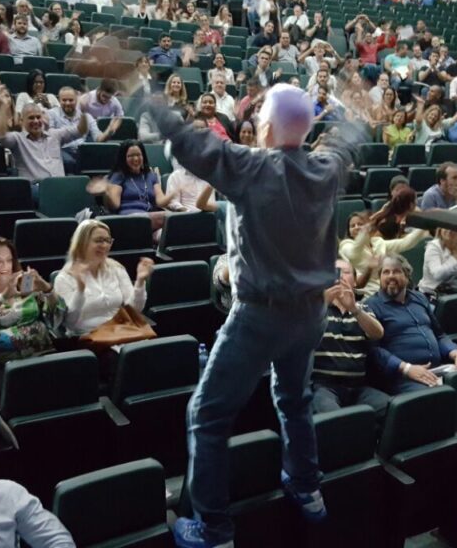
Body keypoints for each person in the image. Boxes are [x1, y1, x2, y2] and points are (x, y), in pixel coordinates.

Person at [142, 83, 358, 547]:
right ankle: (307, 487)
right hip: (311, 315)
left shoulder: (250, 166)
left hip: (260, 316)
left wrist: (137, 89)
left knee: (206, 413)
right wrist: (358, 108)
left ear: (265, 127)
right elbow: (346, 141)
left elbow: (187, 140)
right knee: (294, 399)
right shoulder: (326, 168)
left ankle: (213, 529)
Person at [0, 237, 65, 403]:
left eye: (8, 260)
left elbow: (56, 317)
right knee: (19, 395)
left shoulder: (25, 284)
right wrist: (3, 296)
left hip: (41, 354)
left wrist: (46, 288)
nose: (5, 266)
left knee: (66, 385)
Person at [365, 254, 457, 395]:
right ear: (379, 278)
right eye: (386, 272)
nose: (391, 276)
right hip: (402, 377)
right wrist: (407, 368)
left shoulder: (419, 298)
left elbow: (439, 335)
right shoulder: (371, 305)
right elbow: (375, 351)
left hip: (437, 370)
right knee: (439, 395)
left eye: (396, 271)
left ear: (407, 275)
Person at [311, 259, 390, 420]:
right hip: (324, 386)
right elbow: (299, 336)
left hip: (358, 387)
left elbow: (378, 333)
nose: (339, 277)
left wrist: (354, 309)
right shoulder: (312, 309)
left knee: (394, 410)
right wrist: (323, 303)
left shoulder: (363, 308)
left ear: (355, 281)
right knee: (335, 420)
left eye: (345, 272)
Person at [53, 219, 153, 338]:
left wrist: (140, 282)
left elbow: (135, 309)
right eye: (99, 241)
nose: (105, 245)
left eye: (108, 240)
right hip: (88, 337)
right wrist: (80, 289)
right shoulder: (64, 278)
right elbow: (70, 323)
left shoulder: (116, 268)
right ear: (82, 243)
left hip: (121, 330)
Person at [0, 102, 87, 186]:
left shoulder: (55, 134)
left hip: (60, 187)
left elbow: (81, 130)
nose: (36, 121)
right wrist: (3, 108)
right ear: (22, 121)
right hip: (35, 189)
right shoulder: (17, 139)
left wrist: (83, 111)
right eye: (31, 118)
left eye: (38, 117)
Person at [50, 86, 117, 174]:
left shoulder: (86, 116)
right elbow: (49, 138)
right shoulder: (52, 114)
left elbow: (98, 138)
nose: (67, 103)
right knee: (69, 162)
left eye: (71, 100)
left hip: (82, 151)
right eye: (64, 100)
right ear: (59, 100)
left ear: (76, 100)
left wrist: (109, 131)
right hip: (62, 150)